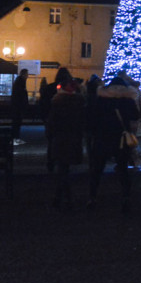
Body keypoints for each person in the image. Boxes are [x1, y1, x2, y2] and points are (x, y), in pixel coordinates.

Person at [87, 71, 141, 212]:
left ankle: (92, 196)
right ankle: (126, 196)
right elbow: (136, 115)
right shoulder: (127, 99)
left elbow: (93, 116)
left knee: (98, 168)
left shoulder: (102, 99)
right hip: (120, 137)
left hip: (103, 136)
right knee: (122, 168)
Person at [47, 73, 86, 209]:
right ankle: (64, 197)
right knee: (65, 168)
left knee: (62, 168)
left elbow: (52, 123)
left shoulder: (57, 102)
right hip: (73, 138)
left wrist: (50, 135)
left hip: (60, 138)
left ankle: (62, 197)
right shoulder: (79, 102)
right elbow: (83, 121)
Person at [11, 69, 29, 145]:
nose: (28, 76)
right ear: (24, 74)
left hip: (16, 105)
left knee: (16, 122)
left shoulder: (18, 81)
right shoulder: (21, 82)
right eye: (27, 74)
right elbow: (21, 94)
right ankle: (15, 138)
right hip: (18, 106)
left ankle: (16, 138)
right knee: (17, 122)